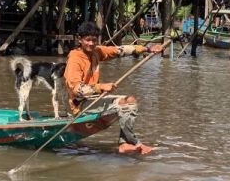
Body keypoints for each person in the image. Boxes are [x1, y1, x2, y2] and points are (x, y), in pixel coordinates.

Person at [63, 21, 162, 155]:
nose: (91, 44)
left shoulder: (96, 51)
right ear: (80, 40)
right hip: (80, 104)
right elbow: (76, 88)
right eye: (87, 40)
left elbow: (120, 50)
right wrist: (100, 87)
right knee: (123, 104)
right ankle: (132, 142)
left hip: (94, 99)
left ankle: (124, 142)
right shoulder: (75, 58)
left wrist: (148, 49)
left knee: (130, 100)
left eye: (94, 40)